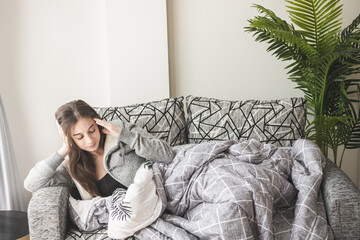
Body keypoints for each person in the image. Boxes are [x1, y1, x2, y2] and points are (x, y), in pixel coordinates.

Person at [24, 99, 174, 200]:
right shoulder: (73, 166)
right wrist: (64, 149)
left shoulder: (121, 131)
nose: (89, 140)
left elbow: (166, 154)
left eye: (91, 130)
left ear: (98, 122)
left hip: (156, 198)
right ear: (70, 138)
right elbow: (31, 184)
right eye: (79, 137)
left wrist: (124, 135)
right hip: (123, 221)